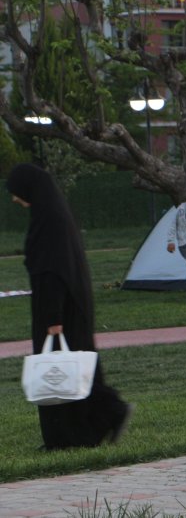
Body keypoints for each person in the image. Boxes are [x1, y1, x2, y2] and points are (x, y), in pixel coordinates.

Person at [6, 163, 132, 450]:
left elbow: (51, 271)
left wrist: (52, 316)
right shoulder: (54, 215)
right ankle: (86, 429)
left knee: (60, 371)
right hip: (71, 307)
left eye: (16, 192)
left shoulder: (49, 219)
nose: (15, 198)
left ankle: (80, 429)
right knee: (76, 370)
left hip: (59, 310)